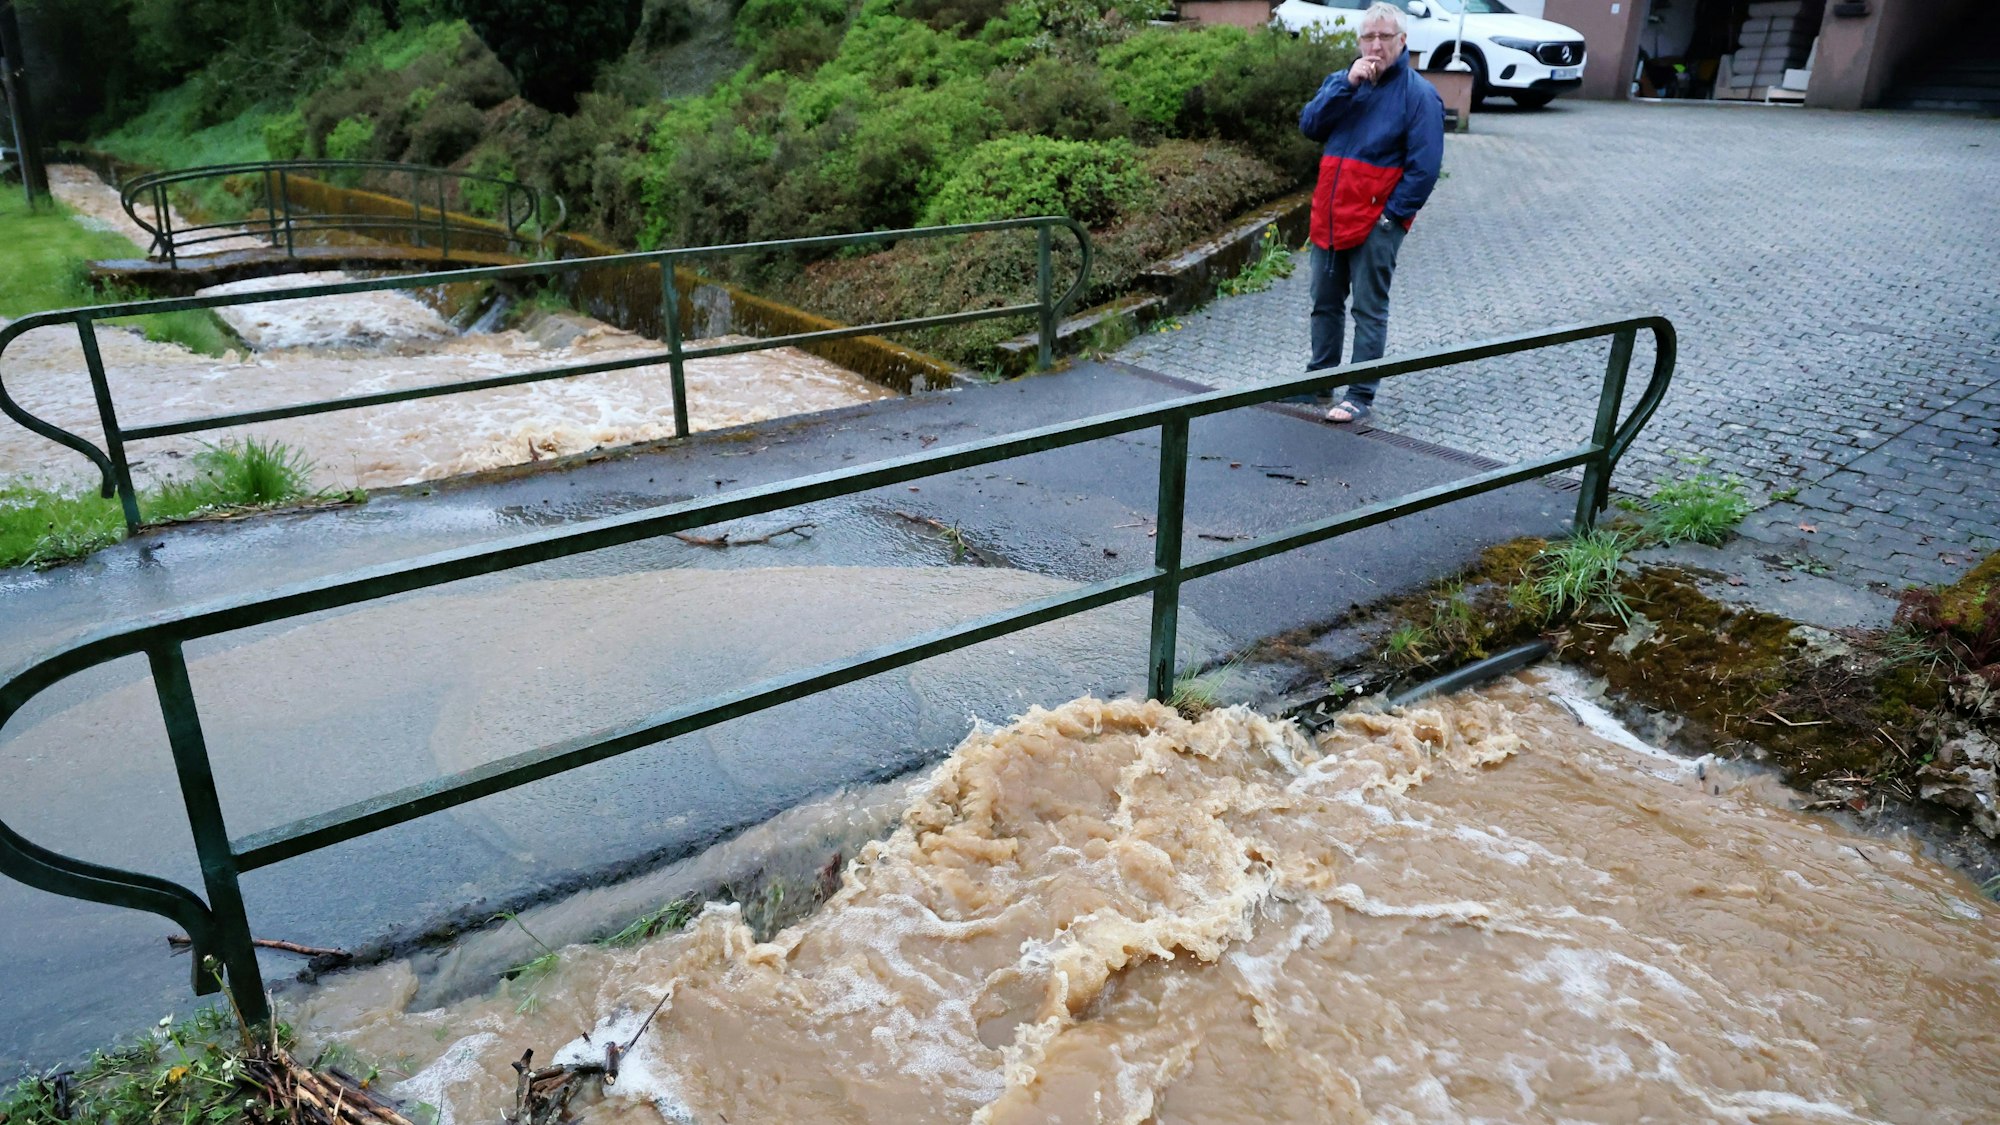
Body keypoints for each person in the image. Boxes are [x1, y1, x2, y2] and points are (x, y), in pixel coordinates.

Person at [1297, 2, 1443, 424]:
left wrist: (1392, 219)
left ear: (1403, 42)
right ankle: (1318, 381)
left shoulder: (1418, 95)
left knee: (1368, 309)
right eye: (1368, 37)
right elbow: (1310, 126)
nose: (1375, 46)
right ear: (1359, 41)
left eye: (1385, 37)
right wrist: (1346, 83)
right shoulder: (1343, 81)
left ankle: (1360, 393)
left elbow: (1425, 168)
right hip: (1330, 214)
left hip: (1376, 223)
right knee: (1324, 303)